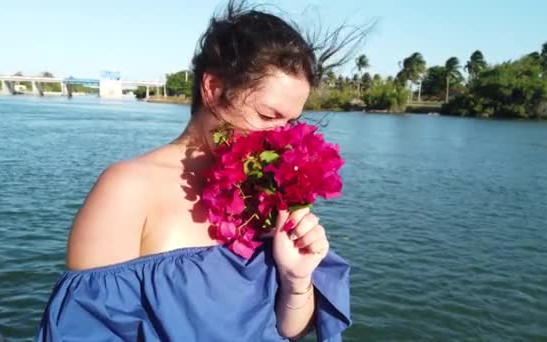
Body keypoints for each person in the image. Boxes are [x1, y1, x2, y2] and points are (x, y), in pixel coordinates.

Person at [37, 1, 366, 340]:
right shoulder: (128, 189)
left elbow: (286, 330)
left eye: (290, 121)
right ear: (213, 89)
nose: (281, 136)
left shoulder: (265, 191)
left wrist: (296, 281)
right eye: (268, 116)